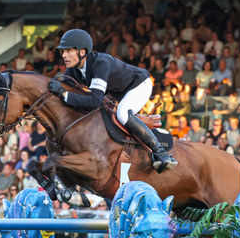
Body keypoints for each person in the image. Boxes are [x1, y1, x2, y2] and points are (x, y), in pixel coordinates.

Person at [48, 29, 176, 172]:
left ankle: (161, 153)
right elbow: (64, 88)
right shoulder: (73, 69)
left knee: (122, 114)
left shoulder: (100, 63)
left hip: (139, 85)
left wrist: (64, 95)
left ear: (82, 52)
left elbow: (94, 101)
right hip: (118, 93)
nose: (64, 56)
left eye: (68, 51)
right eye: (63, 52)